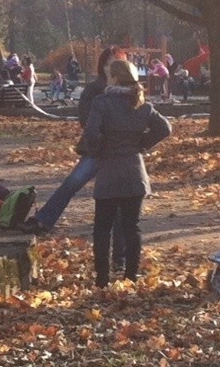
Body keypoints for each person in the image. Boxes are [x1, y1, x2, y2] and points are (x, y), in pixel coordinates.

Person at [19, 47, 128, 245]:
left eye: (116, 64)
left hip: (120, 152)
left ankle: (121, 242)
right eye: (108, 64)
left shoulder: (130, 91)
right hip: (96, 149)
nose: (111, 68)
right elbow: (86, 120)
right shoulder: (94, 90)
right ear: (102, 67)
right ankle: (44, 219)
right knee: (72, 183)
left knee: (121, 194)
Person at [83, 59, 171, 287]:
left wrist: (97, 151)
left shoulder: (102, 103)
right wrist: (141, 144)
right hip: (134, 171)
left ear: (114, 77)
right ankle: (131, 276)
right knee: (132, 227)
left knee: (102, 228)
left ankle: (102, 278)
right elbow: (165, 128)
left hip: (109, 171)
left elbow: (91, 134)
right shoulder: (141, 104)